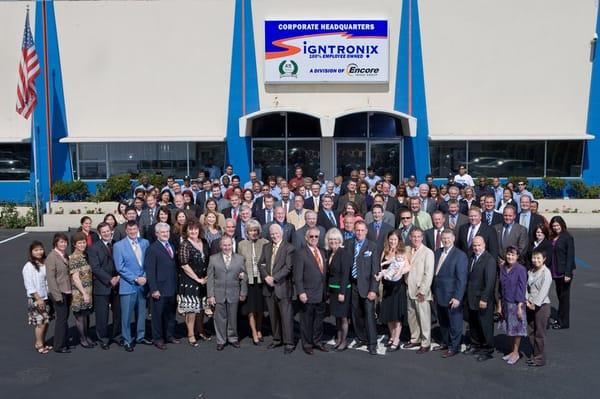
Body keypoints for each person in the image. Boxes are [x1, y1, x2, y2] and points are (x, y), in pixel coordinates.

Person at [114, 221, 151, 352]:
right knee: (127, 315)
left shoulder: (145, 243)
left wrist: (145, 277)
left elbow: (148, 262)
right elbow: (120, 267)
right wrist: (135, 278)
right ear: (126, 230)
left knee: (141, 313)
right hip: (128, 285)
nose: (132, 232)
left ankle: (141, 336)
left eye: (134, 229)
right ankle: (127, 340)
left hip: (143, 284)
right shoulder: (119, 246)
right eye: (130, 229)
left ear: (138, 229)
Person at [258, 223, 296, 354]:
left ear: (282, 233)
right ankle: (276, 339)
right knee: (273, 316)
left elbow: (288, 267)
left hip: (282, 286)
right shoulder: (266, 247)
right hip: (268, 288)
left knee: (286, 316)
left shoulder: (289, 248)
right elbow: (261, 263)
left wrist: (273, 278)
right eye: (272, 233)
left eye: (276, 233)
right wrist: (266, 277)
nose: (274, 236)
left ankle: (289, 342)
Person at [207, 235, 248, 351]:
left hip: (234, 292)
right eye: (224, 245)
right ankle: (221, 340)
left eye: (229, 245)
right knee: (219, 318)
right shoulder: (213, 259)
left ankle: (233, 338)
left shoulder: (240, 259)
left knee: (233, 318)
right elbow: (210, 278)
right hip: (218, 293)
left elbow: (245, 277)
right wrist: (210, 295)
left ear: (232, 245)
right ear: (220, 246)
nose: (227, 247)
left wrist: (243, 292)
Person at [432, 229, 468, 358]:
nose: (446, 240)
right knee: (443, 322)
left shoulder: (460, 255)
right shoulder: (437, 252)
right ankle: (445, 342)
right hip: (438, 293)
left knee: (455, 323)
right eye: (444, 238)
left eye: (448, 238)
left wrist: (458, 297)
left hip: (452, 295)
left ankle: (455, 346)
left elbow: (461, 279)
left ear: (453, 239)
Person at [346, 221, 379, 355]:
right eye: (357, 230)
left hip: (367, 286)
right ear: (354, 231)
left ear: (366, 231)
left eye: (362, 230)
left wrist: (373, 289)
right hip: (352, 284)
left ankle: (372, 343)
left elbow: (375, 270)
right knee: (356, 314)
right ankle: (362, 338)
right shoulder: (348, 244)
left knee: (369, 315)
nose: (359, 233)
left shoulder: (372, 246)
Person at [145, 222, 179, 350]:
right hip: (159, 289)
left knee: (170, 314)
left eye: (167, 232)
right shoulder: (152, 249)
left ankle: (169, 335)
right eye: (162, 232)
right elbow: (150, 271)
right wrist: (154, 289)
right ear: (157, 234)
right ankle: (158, 339)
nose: (165, 234)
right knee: (157, 315)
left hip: (171, 287)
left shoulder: (170, 245)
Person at [294, 227, 328, 355]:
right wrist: (301, 292)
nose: (314, 239)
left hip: (321, 293)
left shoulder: (323, 252)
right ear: (306, 238)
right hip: (307, 293)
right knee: (307, 320)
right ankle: (307, 344)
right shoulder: (300, 253)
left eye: (316, 237)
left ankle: (317, 341)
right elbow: (297, 276)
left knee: (319, 320)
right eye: (311, 236)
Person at [177, 220, 211, 346]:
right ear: (186, 231)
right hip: (190, 280)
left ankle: (200, 330)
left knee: (201, 307)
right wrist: (197, 279)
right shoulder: (185, 244)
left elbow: (208, 260)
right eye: (190, 229)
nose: (193, 231)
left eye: (195, 229)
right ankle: (191, 334)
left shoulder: (204, 242)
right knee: (191, 309)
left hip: (204, 279)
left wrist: (206, 277)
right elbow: (184, 265)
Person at [88, 222, 121, 350]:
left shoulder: (117, 244)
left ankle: (117, 336)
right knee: (102, 315)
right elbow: (95, 268)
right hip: (102, 285)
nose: (106, 233)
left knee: (118, 313)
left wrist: (118, 277)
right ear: (99, 233)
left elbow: (121, 262)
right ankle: (103, 338)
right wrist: (109, 279)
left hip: (118, 283)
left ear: (111, 231)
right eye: (104, 232)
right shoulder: (93, 248)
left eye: (108, 231)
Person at [464, 236, 497, 362]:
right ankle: (475, 345)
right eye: (474, 245)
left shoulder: (489, 260)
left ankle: (487, 349)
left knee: (485, 325)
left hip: (483, 299)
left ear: (484, 245)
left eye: (479, 245)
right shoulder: (471, 257)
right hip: (471, 298)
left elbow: (490, 282)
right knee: (474, 324)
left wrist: (484, 298)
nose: (476, 248)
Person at [377, 230, 410, 352]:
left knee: (396, 315)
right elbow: (381, 266)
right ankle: (391, 336)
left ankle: (396, 339)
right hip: (387, 287)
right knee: (388, 314)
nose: (392, 241)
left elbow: (407, 266)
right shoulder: (385, 251)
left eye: (395, 239)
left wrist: (401, 272)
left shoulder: (401, 252)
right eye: (391, 239)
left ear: (399, 240)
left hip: (397, 287)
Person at [402, 228, 434, 354]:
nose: (416, 239)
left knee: (424, 317)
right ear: (410, 237)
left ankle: (425, 342)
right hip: (409, 288)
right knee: (412, 316)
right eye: (414, 236)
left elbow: (428, 273)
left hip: (421, 290)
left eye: (418, 236)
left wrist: (423, 290)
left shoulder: (428, 252)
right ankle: (415, 338)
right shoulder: (407, 250)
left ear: (422, 237)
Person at [237, 220, 268, 345]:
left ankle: (260, 329)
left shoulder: (265, 242)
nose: (253, 233)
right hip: (248, 280)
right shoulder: (241, 244)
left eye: (255, 230)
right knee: (250, 309)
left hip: (261, 280)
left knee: (259, 308)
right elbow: (239, 261)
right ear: (247, 232)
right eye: (251, 230)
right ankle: (254, 332)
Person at [22, 241, 53, 354]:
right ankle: (39, 344)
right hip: (37, 299)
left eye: (41, 249)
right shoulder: (28, 267)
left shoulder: (44, 263)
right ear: (31, 252)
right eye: (36, 250)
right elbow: (29, 285)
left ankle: (43, 342)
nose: (39, 252)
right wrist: (38, 299)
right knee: (41, 323)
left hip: (46, 297)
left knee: (46, 321)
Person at [498, 246, 528, 365]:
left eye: (513, 255)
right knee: (509, 329)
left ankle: (516, 353)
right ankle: (512, 351)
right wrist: (499, 304)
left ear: (517, 256)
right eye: (509, 254)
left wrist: (520, 307)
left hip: (516, 304)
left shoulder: (521, 269)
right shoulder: (503, 268)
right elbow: (501, 288)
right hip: (506, 302)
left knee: (517, 330)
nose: (510, 257)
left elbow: (522, 288)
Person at [325, 228, 351, 351]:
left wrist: (342, 292)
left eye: (335, 239)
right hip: (333, 290)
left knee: (343, 317)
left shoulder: (343, 253)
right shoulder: (330, 253)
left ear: (339, 240)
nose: (333, 241)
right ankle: (339, 339)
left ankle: (344, 341)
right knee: (337, 317)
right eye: (331, 239)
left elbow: (346, 274)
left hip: (342, 290)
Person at [45, 233, 72, 353]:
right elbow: (51, 278)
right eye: (61, 242)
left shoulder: (64, 255)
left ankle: (64, 342)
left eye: (65, 242)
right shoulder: (52, 257)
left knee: (65, 318)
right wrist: (57, 296)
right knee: (61, 319)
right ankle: (58, 346)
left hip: (67, 291)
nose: (64, 244)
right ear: (55, 243)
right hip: (58, 293)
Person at [526, 250, 552, 367]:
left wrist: (535, 304)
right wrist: (526, 299)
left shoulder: (546, 273)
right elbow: (526, 288)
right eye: (534, 258)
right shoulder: (531, 271)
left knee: (539, 333)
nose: (535, 260)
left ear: (544, 259)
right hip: (529, 304)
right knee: (531, 331)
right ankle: (535, 353)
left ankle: (539, 359)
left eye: (538, 258)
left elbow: (544, 291)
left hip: (541, 306)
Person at [68, 232, 95, 348]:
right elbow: (75, 278)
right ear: (74, 244)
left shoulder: (85, 256)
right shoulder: (74, 258)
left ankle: (86, 335)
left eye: (83, 242)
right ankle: (82, 338)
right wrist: (84, 293)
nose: (82, 245)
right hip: (79, 292)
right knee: (80, 317)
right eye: (79, 243)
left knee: (86, 315)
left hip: (88, 290)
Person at [549, 216, 575, 330]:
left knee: (564, 298)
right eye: (554, 226)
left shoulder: (567, 237)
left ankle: (564, 323)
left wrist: (568, 273)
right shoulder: (553, 237)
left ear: (562, 225)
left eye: (557, 225)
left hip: (564, 272)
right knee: (560, 297)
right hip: (555, 270)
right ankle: (560, 317)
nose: (555, 227)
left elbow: (570, 256)